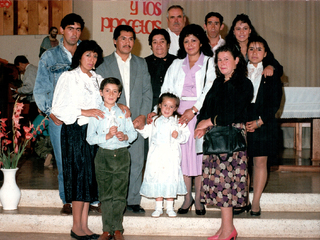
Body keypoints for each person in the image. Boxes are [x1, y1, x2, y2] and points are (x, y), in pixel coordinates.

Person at [195, 44, 253, 240]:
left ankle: (228, 231)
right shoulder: (217, 83)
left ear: (237, 60)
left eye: (226, 59)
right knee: (219, 185)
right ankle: (225, 228)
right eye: (219, 60)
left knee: (226, 185)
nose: (222, 63)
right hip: (215, 139)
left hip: (231, 141)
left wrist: (209, 121)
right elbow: (205, 108)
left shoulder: (243, 83)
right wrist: (200, 125)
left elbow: (233, 112)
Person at [156, 24, 216, 215]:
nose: (190, 44)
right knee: (181, 158)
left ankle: (198, 198)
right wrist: (162, 112)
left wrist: (194, 109)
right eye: (186, 41)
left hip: (198, 115)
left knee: (197, 158)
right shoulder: (176, 64)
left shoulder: (209, 63)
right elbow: (166, 90)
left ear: (201, 42)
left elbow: (209, 89)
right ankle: (186, 197)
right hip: (178, 116)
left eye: (194, 40)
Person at [96, 25, 152, 214]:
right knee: (113, 163)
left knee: (136, 160)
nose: (127, 42)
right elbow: (100, 93)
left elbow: (147, 91)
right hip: (113, 121)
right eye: (123, 38)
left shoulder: (141, 63)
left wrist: (143, 115)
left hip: (136, 120)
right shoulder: (103, 64)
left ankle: (133, 200)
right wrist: (117, 106)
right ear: (115, 41)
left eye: (130, 39)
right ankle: (112, 200)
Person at [51, 40, 104, 240]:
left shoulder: (98, 79)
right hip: (75, 131)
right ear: (79, 56)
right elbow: (58, 108)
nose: (92, 59)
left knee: (88, 180)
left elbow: (105, 105)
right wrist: (85, 111)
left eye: (95, 56)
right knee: (77, 177)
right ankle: (76, 227)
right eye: (88, 55)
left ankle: (84, 226)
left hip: (94, 133)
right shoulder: (69, 77)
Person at [34, 13, 86, 215]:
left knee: (84, 159)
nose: (75, 33)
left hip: (83, 117)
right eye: (71, 28)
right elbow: (40, 88)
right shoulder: (49, 56)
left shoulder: (87, 52)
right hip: (59, 118)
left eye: (78, 29)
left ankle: (87, 198)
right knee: (64, 159)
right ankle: (68, 199)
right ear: (62, 30)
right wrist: (50, 112)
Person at [87, 77, 137, 240]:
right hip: (104, 156)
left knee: (120, 194)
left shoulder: (123, 112)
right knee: (106, 194)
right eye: (107, 90)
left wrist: (125, 136)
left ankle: (118, 229)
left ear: (119, 94)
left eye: (115, 91)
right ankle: (107, 229)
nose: (111, 94)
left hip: (122, 155)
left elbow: (133, 133)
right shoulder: (97, 114)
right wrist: (106, 135)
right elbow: (90, 138)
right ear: (101, 93)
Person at [246, 36, 282, 216]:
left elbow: (275, 103)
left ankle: (256, 202)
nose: (254, 52)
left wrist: (260, 121)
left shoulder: (270, 72)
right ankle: (242, 200)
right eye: (251, 48)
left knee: (260, 162)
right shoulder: (239, 72)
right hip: (243, 121)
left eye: (259, 49)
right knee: (243, 163)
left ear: (265, 53)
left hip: (263, 121)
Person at [137, 93, 189, 218]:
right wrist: (139, 127)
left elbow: (185, 137)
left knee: (170, 179)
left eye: (171, 107)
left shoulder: (178, 122)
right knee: (158, 179)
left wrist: (179, 135)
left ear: (175, 108)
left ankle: (170, 207)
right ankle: (158, 207)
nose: (167, 109)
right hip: (157, 157)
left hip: (171, 157)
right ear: (159, 105)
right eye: (165, 105)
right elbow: (146, 133)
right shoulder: (154, 121)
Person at [225, 13, 283, 78]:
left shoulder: (258, 43)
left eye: (245, 28)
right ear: (233, 31)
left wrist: (270, 66)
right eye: (238, 29)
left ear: (250, 30)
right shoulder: (228, 47)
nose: (242, 32)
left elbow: (275, 64)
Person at [145, 28, 177, 108]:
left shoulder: (177, 62)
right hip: (150, 107)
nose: (158, 45)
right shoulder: (144, 63)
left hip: (172, 107)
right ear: (151, 46)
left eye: (162, 41)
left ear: (168, 44)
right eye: (155, 42)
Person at [13, 55, 38, 122]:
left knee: (33, 122)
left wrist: (18, 90)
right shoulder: (35, 68)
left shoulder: (29, 71)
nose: (19, 70)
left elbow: (30, 88)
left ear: (20, 64)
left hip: (35, 102)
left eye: (18, 68)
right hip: (40, 100)